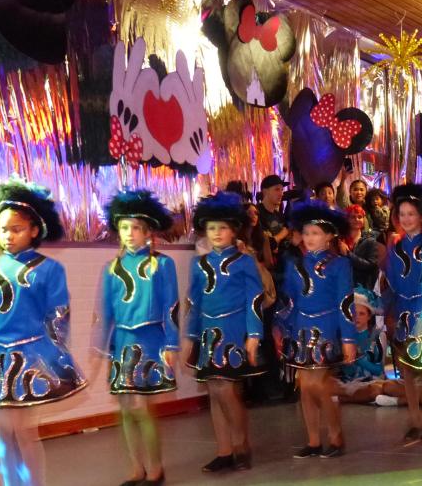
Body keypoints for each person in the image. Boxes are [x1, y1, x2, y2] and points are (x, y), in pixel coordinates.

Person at [0, 178, 86, 486]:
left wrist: (57, 360)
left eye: (16, 228)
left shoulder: (49, 269)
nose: (8, 235)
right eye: (3, 229)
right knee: (3, 430)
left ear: (35, 230)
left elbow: (58, 318)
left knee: (23, 430)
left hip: (31, 358)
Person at [98, 190, 180, 486]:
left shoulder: (162, 264)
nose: (128, 234)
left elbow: (171, 306)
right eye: (123, 228)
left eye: (135, 228)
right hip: (122, 344)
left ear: (147, 232)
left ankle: (156, 469)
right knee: (124, 409)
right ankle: (136, 469)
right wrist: (106, 351)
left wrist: (172, 344)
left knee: (142, 407)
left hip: (151, 343)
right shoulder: (112, 268)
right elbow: (106, 312)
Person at [186, 192, 265, 472]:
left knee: (227, 390)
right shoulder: (199, 264)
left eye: (222, 228)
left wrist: (253, 336)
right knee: (213, 391)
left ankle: (241, 444)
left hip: (233, 332)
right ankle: (224, 450)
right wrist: (190, 338)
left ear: (234, 230)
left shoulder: (244, 262)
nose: (216, 233)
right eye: (211, 228)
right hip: (208, 334)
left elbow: (254, 300)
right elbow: (194, 303)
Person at [275, 201, 357, 458]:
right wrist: (279, 327)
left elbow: (345, 303)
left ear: (330, 235)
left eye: (316, 233)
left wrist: (348, 338)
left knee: (318, 384)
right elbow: (287, 300)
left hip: (327, 327)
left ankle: (335, 435)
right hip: (300, 329)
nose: (310, 238)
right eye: (307, 233)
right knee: (304, 384)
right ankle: (312, 441)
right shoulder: (294, 265)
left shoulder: (340, 264)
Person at [383, 183, 422, 442]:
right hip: (402, 312)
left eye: (411, 214)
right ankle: (414, 420)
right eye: (402, 214)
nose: (406, 219)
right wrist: (387, 312)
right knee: (407, 371)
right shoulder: (395, 247)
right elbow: (390, 282)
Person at [341, 204, 382, 291]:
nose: (356, 219)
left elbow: (370, 265)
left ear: (364, 220)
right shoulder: (341, 240)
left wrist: (348, 254)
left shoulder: (370, 240)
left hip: (363, 288)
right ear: (346, 219)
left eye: (360, 217)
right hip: (343, 286)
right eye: (352, 217)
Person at [257, 174, 290, 258]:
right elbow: (267, 244)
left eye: (282, 190)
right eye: (277, 189)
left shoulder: (278, 214)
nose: (281, 194)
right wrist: (283, 233)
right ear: (265, 191)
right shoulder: (257, 213)